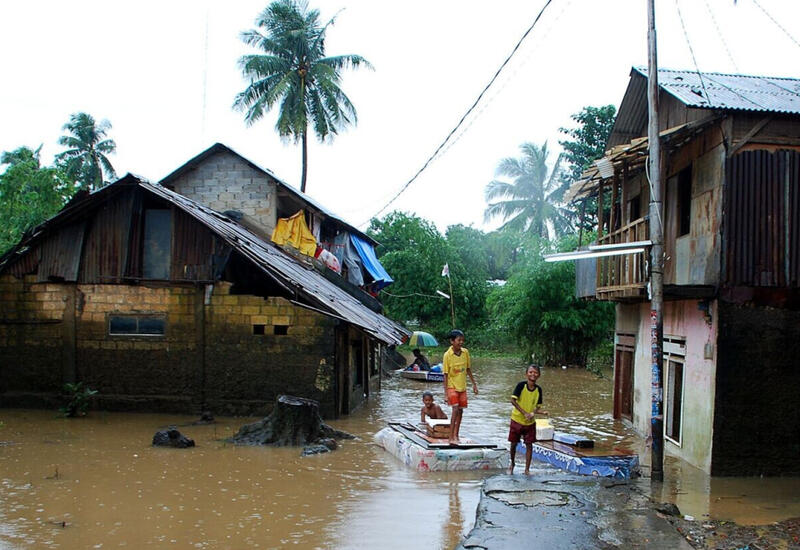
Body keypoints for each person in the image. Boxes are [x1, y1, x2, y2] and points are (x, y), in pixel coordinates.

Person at [508, 364, 548, 475]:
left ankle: (527, 469)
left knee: (529, 444)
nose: (533, 374)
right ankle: (512, 463)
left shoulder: (538, 390)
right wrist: (524, 413)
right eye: (531, 372)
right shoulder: (521, 386)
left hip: (530, 422)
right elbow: (513, 401)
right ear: (526, 374)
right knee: (513, 444)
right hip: (516, 419)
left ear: (538, 375)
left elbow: (538, 406)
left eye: (535, 372)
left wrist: (532, 413)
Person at [442, 329, 478, 444]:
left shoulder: (465, 353)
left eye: (462, 340)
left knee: (461, 411)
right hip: (452, 386)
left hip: (462, 386)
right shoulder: (447, 355)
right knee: (455, 409)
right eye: (459, 340)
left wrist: (474, 384)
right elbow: (446, 375)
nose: (461, 342)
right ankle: (450, 437)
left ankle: (456, 435)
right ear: (452, 341)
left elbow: (468, 369)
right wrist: (446, 393)